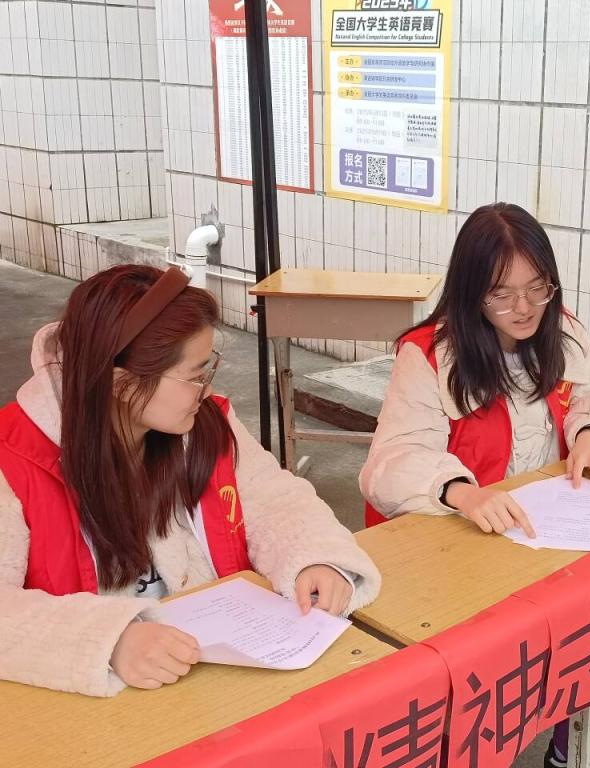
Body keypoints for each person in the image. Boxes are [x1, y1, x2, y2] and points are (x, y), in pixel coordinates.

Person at [0, 265, 381, 697]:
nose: (206, 389)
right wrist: (108, 640)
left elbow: (274, 498)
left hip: (218, 679)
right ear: (122, 384)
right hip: (104, 710)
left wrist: (316, 559)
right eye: (195, 375)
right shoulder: (14, 459)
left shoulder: (207, 423)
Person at [359, 202, 590, 767]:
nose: (524, 308)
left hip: (537, 534)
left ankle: (576, 744)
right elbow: (388, 464)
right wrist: (460, 491)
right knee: (483, 671)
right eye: (502, 295)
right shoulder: (430, 355)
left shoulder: (562, 331)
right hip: (453, 550)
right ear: (471, 293)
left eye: (538, 288)